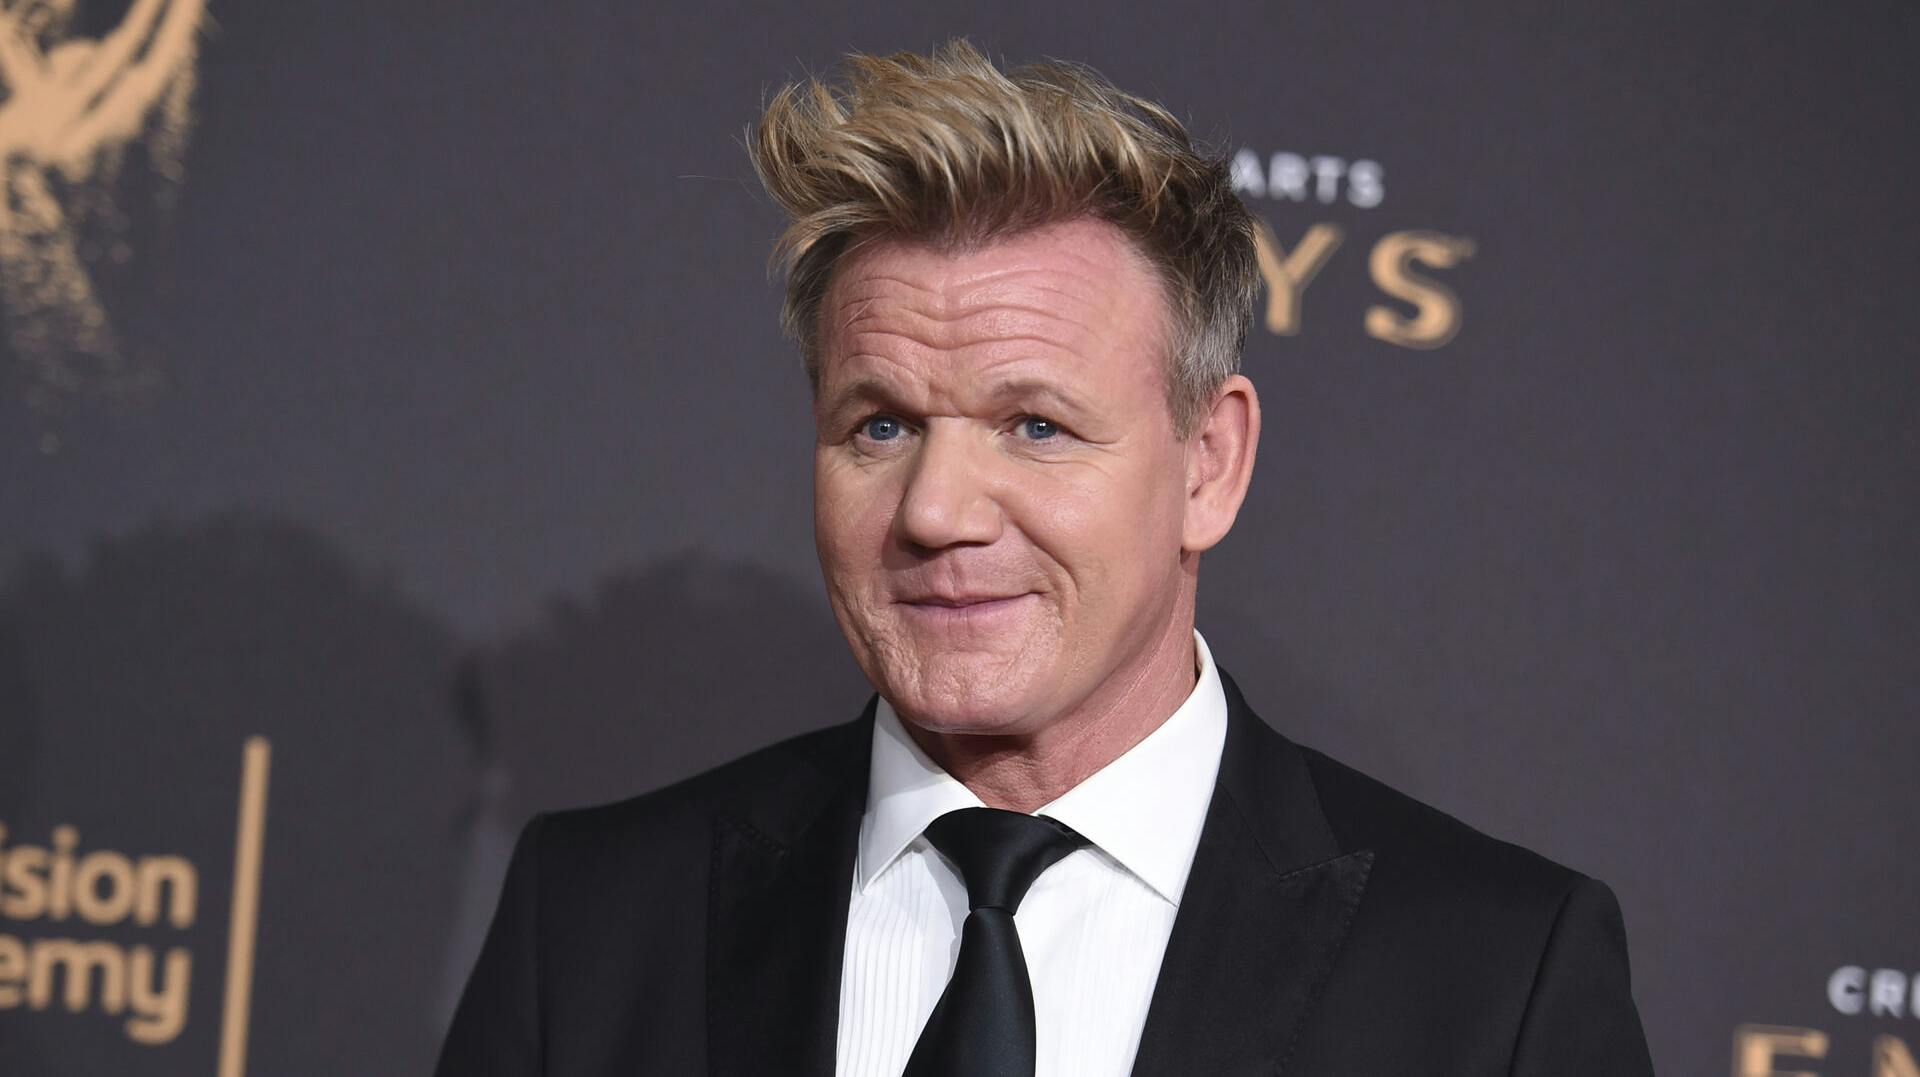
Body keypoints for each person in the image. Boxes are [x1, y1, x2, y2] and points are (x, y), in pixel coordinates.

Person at [435, 41, 1656, 1077]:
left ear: (1208, 464)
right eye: (882, 425)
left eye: (1036, 426)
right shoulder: (594, 922)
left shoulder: (1493, 977)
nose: (937, 511)